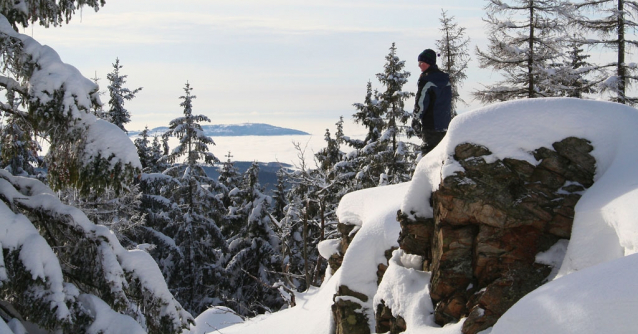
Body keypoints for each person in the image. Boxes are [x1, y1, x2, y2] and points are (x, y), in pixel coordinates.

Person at [412, 49, 452, 155]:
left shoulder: (426, 80)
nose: (419, 65)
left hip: (431, 126)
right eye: (419, 63)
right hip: (445, 125)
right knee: (442, 156)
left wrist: (416, 118)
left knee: (429, 158)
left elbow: (421, 102)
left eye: (422, 63)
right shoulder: (445, 79)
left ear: (429, 63)